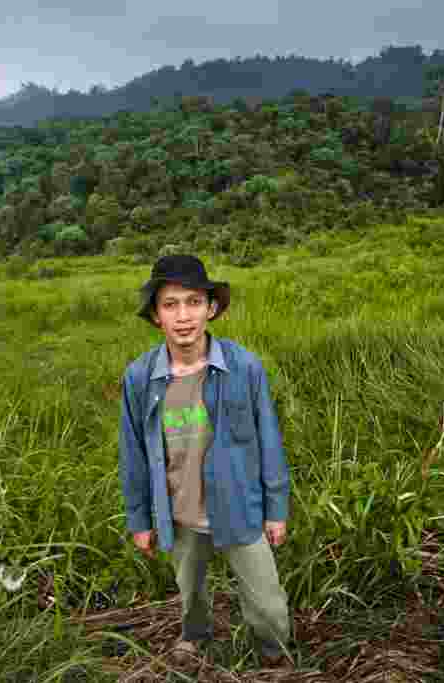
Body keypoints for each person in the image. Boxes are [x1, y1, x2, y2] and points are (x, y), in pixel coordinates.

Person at [118, 254, 294, 672]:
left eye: (194, 302)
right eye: (171, 304)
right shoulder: (139, 378)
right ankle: (194, 636)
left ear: (211, 308)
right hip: (179, 512)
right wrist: (140, 519)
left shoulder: (243, 367)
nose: (183, 316)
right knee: (190, 592)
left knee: (268, 603)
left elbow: (269, 439)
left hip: (240, 506)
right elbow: (134, 454)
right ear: (156, 315)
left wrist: (276, 508)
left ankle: (275, 655)